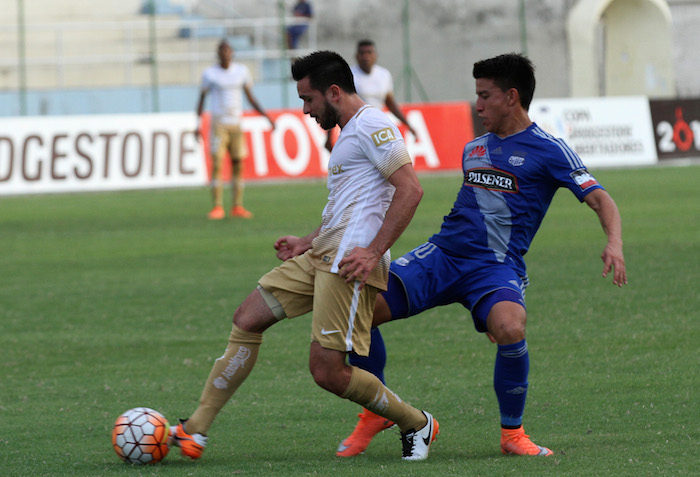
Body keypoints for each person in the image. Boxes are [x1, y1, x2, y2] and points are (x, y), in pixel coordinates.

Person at [335, 52, 627, 458]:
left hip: (494, 268)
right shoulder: (474, 148)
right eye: (476, 95)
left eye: (485, 96)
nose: (477, 105)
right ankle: (376, 411)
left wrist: (613, 242)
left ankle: (513, 435)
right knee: (359, 310)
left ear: (511, 97)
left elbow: (601, 199)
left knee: (510, 328)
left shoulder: (550, 150)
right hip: (442, 255)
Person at [170, 50, 439, 462]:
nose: (305, 109)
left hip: (349, 266)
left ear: (333, 92)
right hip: (322, 256)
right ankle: (195, 430)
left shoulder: (374, 125)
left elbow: (411, 190)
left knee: (327, 372)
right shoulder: (348, 132)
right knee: (247, 319)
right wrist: (306, 242)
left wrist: (372, 252)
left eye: (308, 99)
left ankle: (416, 422)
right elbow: (346, 209)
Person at [196, 39, 274, 220]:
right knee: (217, 164)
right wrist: (197, 124)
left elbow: (250, 97)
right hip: (218, 124)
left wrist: (267, 116)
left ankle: (237, 206)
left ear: (232, 53)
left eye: (228, 50)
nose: (225, 54)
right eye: (222, 50)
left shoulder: (241, 72)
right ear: (217, 54)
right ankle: (217, 206)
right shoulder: (209, 74)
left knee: (238, 163)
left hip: (236, 123)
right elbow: (201, 99)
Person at [326, 40, 416, 151]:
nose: (366, 56)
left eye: (369, 52)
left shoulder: (384, 75)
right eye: (362, 53)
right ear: (356, 56)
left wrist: (408, 124)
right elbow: (336, 105)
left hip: (377, 128)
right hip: (355, 130)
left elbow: (389, 102)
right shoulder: (349, 75)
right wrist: (329, 137)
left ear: (375, 55)